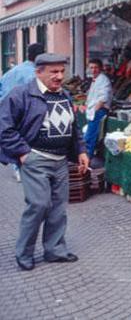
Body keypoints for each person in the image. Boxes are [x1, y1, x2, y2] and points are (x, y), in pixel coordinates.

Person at [0, 53, 90, 271]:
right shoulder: (21, 94)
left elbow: (73, 127)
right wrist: (23, 153)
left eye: (61, 71)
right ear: (38, 72)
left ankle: (55, 250)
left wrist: (81, 150)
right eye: (54, 72)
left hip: (60, 161)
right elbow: (4, 127)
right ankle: (24, 253)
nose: (59, 76)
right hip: (36, 159)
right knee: (39, 205)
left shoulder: (65, 95)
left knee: (59, 208)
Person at [0, 43, 45, 182]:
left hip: (7, 110)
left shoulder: (14, 70)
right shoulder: (34, 74)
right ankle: (22, 168)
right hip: (24, 110)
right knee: (25, 139)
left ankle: (16, 167)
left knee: (13, 137)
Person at [84, 59, 113, 157]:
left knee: (89, 136)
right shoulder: (95, 79)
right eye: (91, 67)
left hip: (99, 111)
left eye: (96, 67)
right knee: (90, 135)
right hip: (93, 110)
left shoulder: (103, 79)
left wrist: (95, 110)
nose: (93, 70)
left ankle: (88, 157)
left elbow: (103, 97)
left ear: (100, 68)